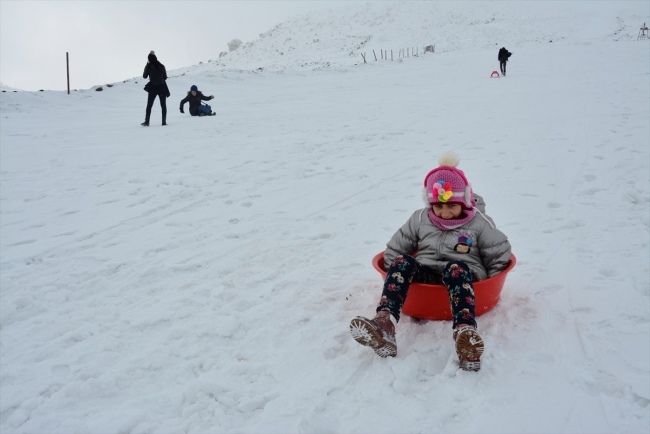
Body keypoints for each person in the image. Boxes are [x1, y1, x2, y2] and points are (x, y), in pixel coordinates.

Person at [349, 152, 511, 371]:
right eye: (439, 207)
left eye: (451, 207)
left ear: (463, 202)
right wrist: (393, 273)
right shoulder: (420, 218)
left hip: (462, 275)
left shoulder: (479, 223)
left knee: (456, 267)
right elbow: (399, 244)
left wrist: (490, 283)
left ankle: (465, 334)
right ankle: (385, 324)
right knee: (403, 260)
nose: (444, 213)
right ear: (430, 203)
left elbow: (498, 252)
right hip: (426, 272)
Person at [141, 50, 170, 126]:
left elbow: (144, 76)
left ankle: (147, 122)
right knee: (163, 105)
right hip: (162, 87)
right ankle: (164, 122)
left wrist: (146, 67)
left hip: (153, 87)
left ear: (149, 59)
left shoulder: (149, 66)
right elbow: (165, 77)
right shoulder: (162, 66)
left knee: (149, 105)